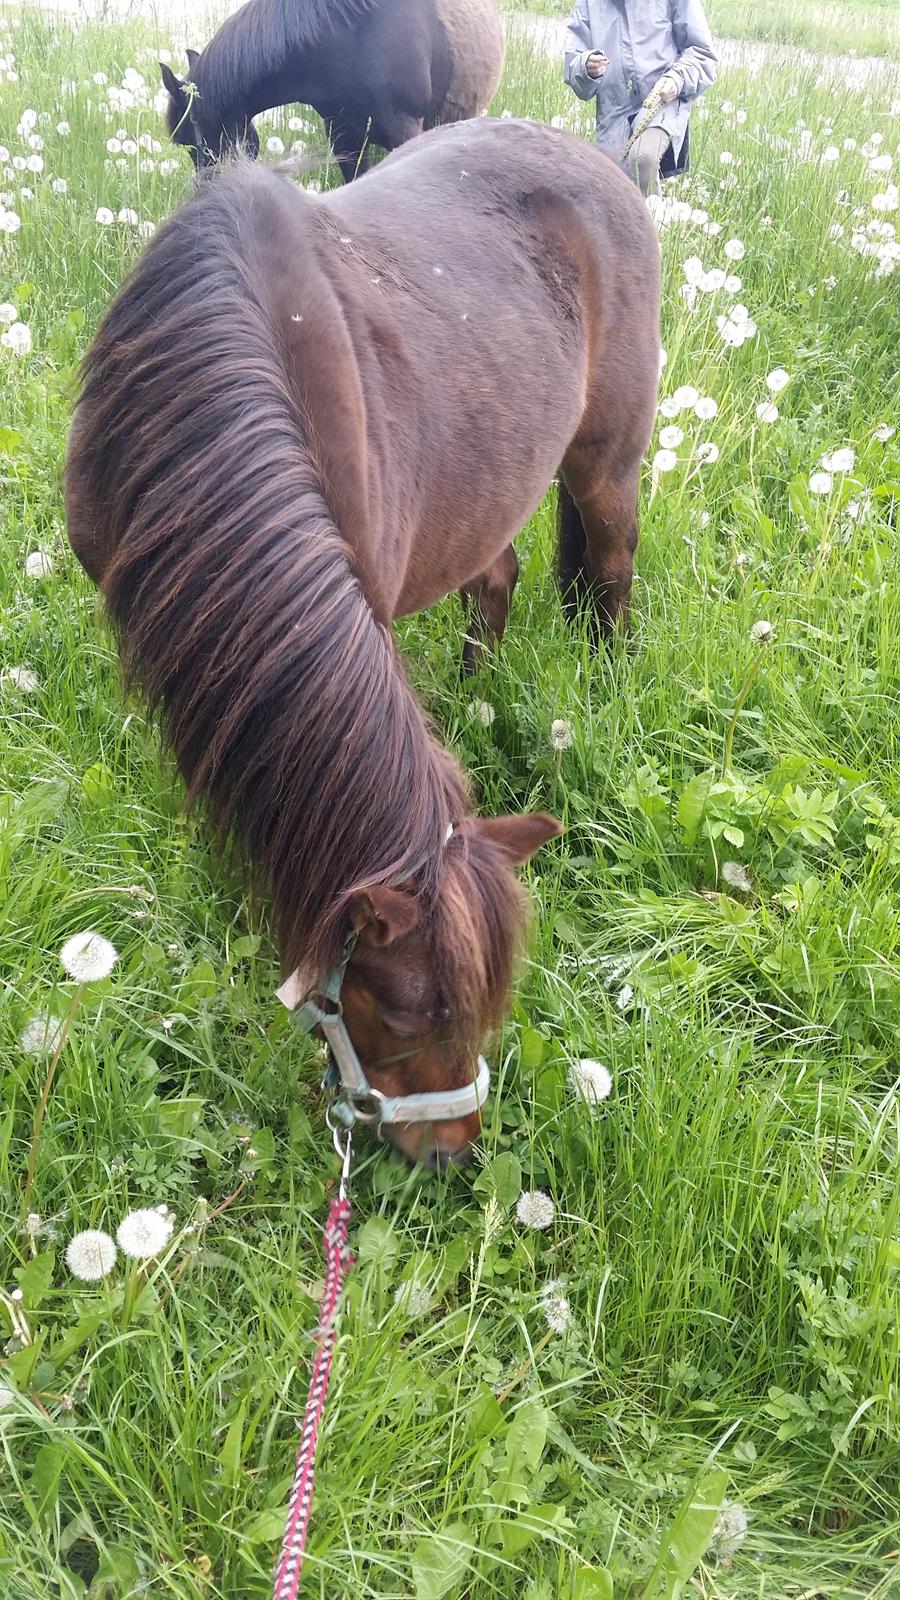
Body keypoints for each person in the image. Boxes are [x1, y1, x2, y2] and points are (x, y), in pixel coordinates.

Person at [563, 0, 717, 198]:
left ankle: (653, 226)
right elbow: (573, 65)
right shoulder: (587, 4)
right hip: (613, 113)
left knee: (642, 159)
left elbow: (703, 53)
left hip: (662, 101)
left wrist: (677, 78)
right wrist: (586, 67)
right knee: (607, 189)